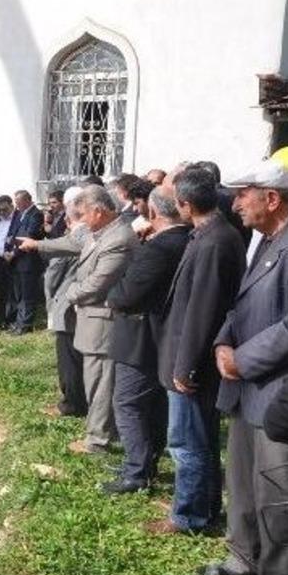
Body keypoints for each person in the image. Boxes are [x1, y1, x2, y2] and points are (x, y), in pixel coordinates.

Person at [205, 159, 288, 575]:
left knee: (277, 490)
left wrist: (243, 358)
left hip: (276, 389)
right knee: (241, 480)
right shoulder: (266, 241)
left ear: (272, 199)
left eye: (244, 194)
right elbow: (241, 302)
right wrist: (223, 341)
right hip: (244, 388)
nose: (235, 203)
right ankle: (244, 558)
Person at [147, 165, 245, 536]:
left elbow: (203, 310)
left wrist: (185, 366)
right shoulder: (210, 234)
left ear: (185, 204)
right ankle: (203, 509)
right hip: (190, 356)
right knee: (198, 438)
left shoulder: (214, 241)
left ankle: (189, 516)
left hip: (192, 361)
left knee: (186, 441)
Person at [19, 185, 136, 454]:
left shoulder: (117, 238)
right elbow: (72, 243)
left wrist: (67, 294)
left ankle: (98, 440)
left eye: (83, 214)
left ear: (98, 211)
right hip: (92, 319)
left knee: (101, 382)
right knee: (95, 380)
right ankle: (101, 431)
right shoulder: (101, 232)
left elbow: (95, 284)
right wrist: (38, 244)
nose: (80, 221)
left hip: (103, 321)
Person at [102, 188, 190, 494]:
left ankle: (137, 471)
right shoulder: (189, 239)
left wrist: (112, 298)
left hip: (141, 337)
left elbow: (126, 294)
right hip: (164, 335)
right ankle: (146, 461)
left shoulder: (159, 247)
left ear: (153, 213)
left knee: (127, 402)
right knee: (152, 403)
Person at [43, 187, 88, 418]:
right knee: (79, 356)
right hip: (84, 306)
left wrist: (50, 301)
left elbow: (53, 273)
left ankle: (71, 403)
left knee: (68, 358)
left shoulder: (72, 240)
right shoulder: (96, 236)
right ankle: (81, 399)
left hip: (67, 304)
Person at [4, 190, 44, 334]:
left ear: (27, 200)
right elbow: (12, 233)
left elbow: (29, 235)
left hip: (28, 261)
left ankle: (25, 325)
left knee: (28, 295)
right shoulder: (19, 213)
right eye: (16, 202)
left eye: (19, 202)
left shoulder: (36, 214)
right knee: (19, 294)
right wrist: (8, 250)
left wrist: (14, 252)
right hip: (16, 262)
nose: (16, 205)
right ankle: (18, 322)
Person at [0, 195, 17, 329]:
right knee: (2, 291)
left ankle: (11, 319)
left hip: (12, 260)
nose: (1, 213)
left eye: (4, 210)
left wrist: (12, 252)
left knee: (12, 291)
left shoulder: (17, 218)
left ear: (11, 206)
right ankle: (1, 319)